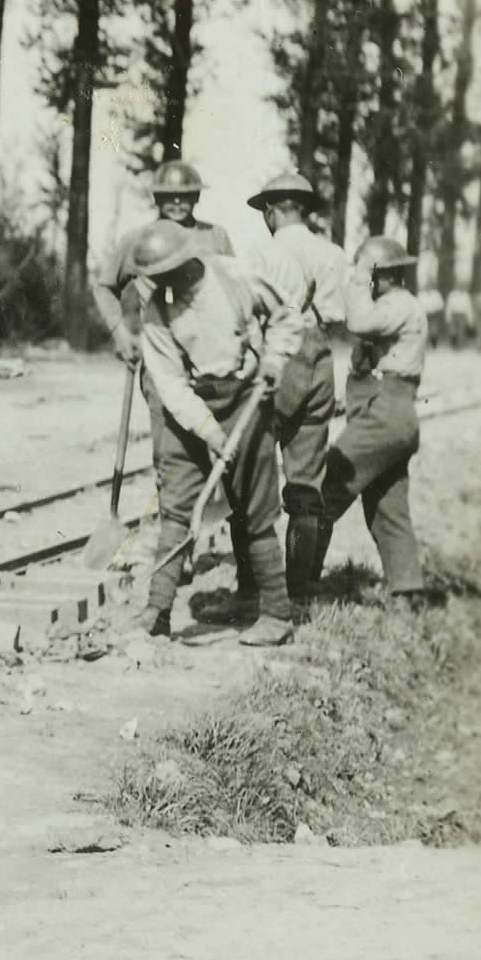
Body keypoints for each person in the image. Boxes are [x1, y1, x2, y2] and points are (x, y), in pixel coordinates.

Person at [129, 219, 304, 645]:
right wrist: (209, 431)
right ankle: (157, 609)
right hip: (191, 404)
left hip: (245, 395)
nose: (165, 284)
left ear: (187, 259)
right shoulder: (156, 311)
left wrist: (274, 362)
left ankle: (276, 614)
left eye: (170, 273)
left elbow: (286, 316)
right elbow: (169, 383)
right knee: (176, 505)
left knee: (256, 508)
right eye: (156, 278)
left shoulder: (235, 276)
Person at [92, 156, 252, 608]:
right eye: (168, 197)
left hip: (219, 367)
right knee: (172, 459)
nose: (178, 203)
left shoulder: (215, 238)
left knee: (233, 460)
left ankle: (249, 570)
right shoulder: (138, 241)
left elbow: (238, 290)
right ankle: (177, 557)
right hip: (164, 366)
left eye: (185, 196)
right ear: (157, 201)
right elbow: (105, 286)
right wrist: (121, 332)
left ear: (197, 197)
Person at [248, 168, 354, 609]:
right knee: (306, 486)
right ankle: (300, 590)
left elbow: (254, 315)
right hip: (322, 359)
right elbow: (342, 316)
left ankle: (252, 586)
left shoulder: (264, 252)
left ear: (272, 211)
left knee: (249, 475)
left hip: (281, 356)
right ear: (304, 211)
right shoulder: (333, 254)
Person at [326, 234, 429, 605]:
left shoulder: (398, 304)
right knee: (387, 506)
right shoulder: (396, 305)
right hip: (393, 410)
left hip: (387, 410)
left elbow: (357, 319)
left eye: (367, 273)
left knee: (327, 486)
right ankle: (407, 591)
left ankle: (295, 582)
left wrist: (358, 276)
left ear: (377, 274)